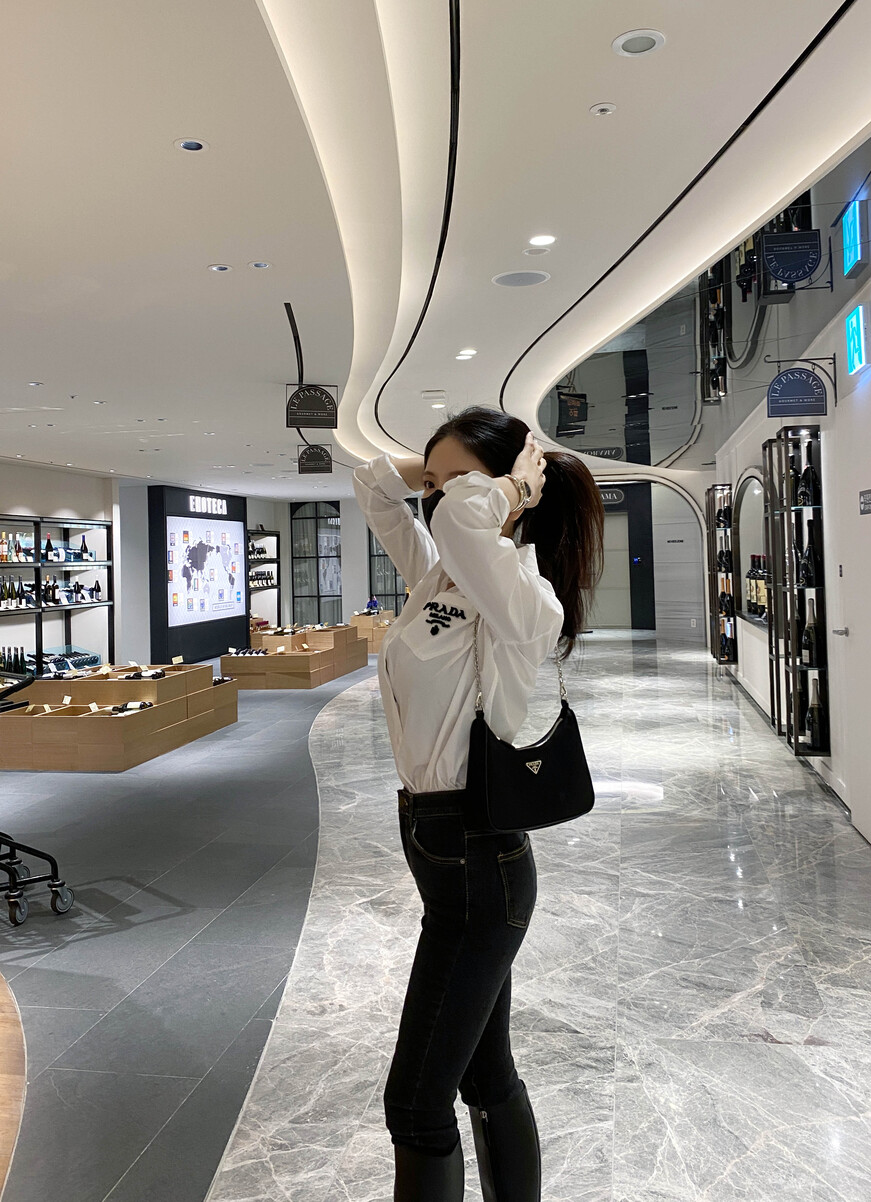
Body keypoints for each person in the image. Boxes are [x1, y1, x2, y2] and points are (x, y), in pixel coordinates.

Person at [353, 406, 604, 1201]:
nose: (439, 499)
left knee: (415, 1103)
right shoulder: (441, 576)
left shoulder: (524, 597)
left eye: (458, 482)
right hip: (441, 849)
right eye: (432, 486)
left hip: (477, 860)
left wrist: (514, 484)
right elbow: (372, 486)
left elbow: (466, 519)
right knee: (484, 1072)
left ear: (509, 491)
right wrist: (435, 473)